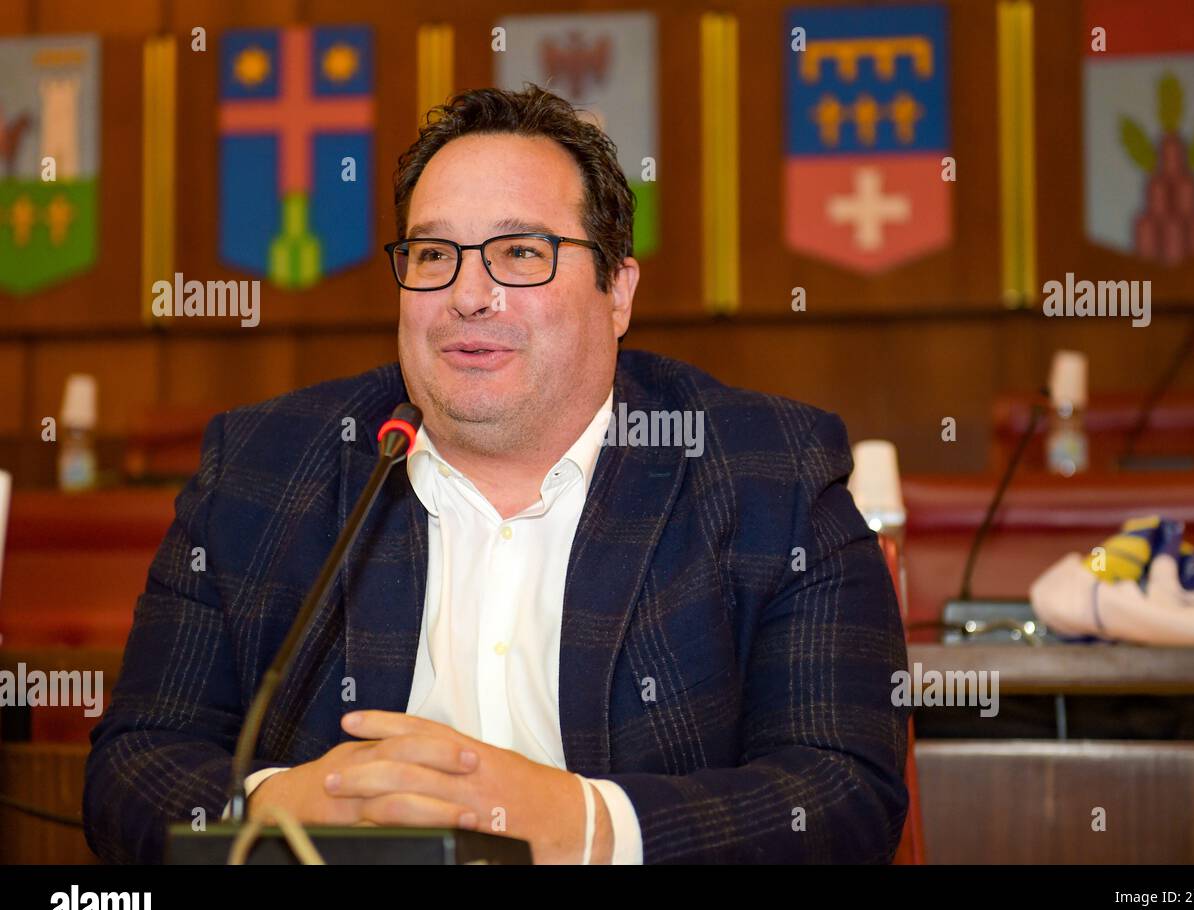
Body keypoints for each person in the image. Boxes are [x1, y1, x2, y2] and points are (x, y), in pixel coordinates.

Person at [84, 84, 909, 864]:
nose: (469, 295)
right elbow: (131, 767)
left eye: (521, 252)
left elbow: (842, 791)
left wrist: (585, 825)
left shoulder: (771, 473)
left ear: (616, 292)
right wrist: (268, 811)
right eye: (434, 253)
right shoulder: (261, 470)